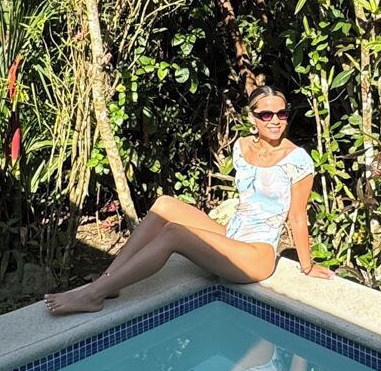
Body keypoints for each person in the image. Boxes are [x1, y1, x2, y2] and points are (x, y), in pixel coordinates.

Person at [44, 86, 334, 315]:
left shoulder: (297, 160)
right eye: (266, 115)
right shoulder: (242, 147)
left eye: (281, 114)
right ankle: (109, 281)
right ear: (252, 118)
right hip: (233, 235)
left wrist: (307, 266)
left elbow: (297, 217)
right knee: (165, 205)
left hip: (257, 255)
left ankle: (93, 295)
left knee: (174, 234)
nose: (275, 122)